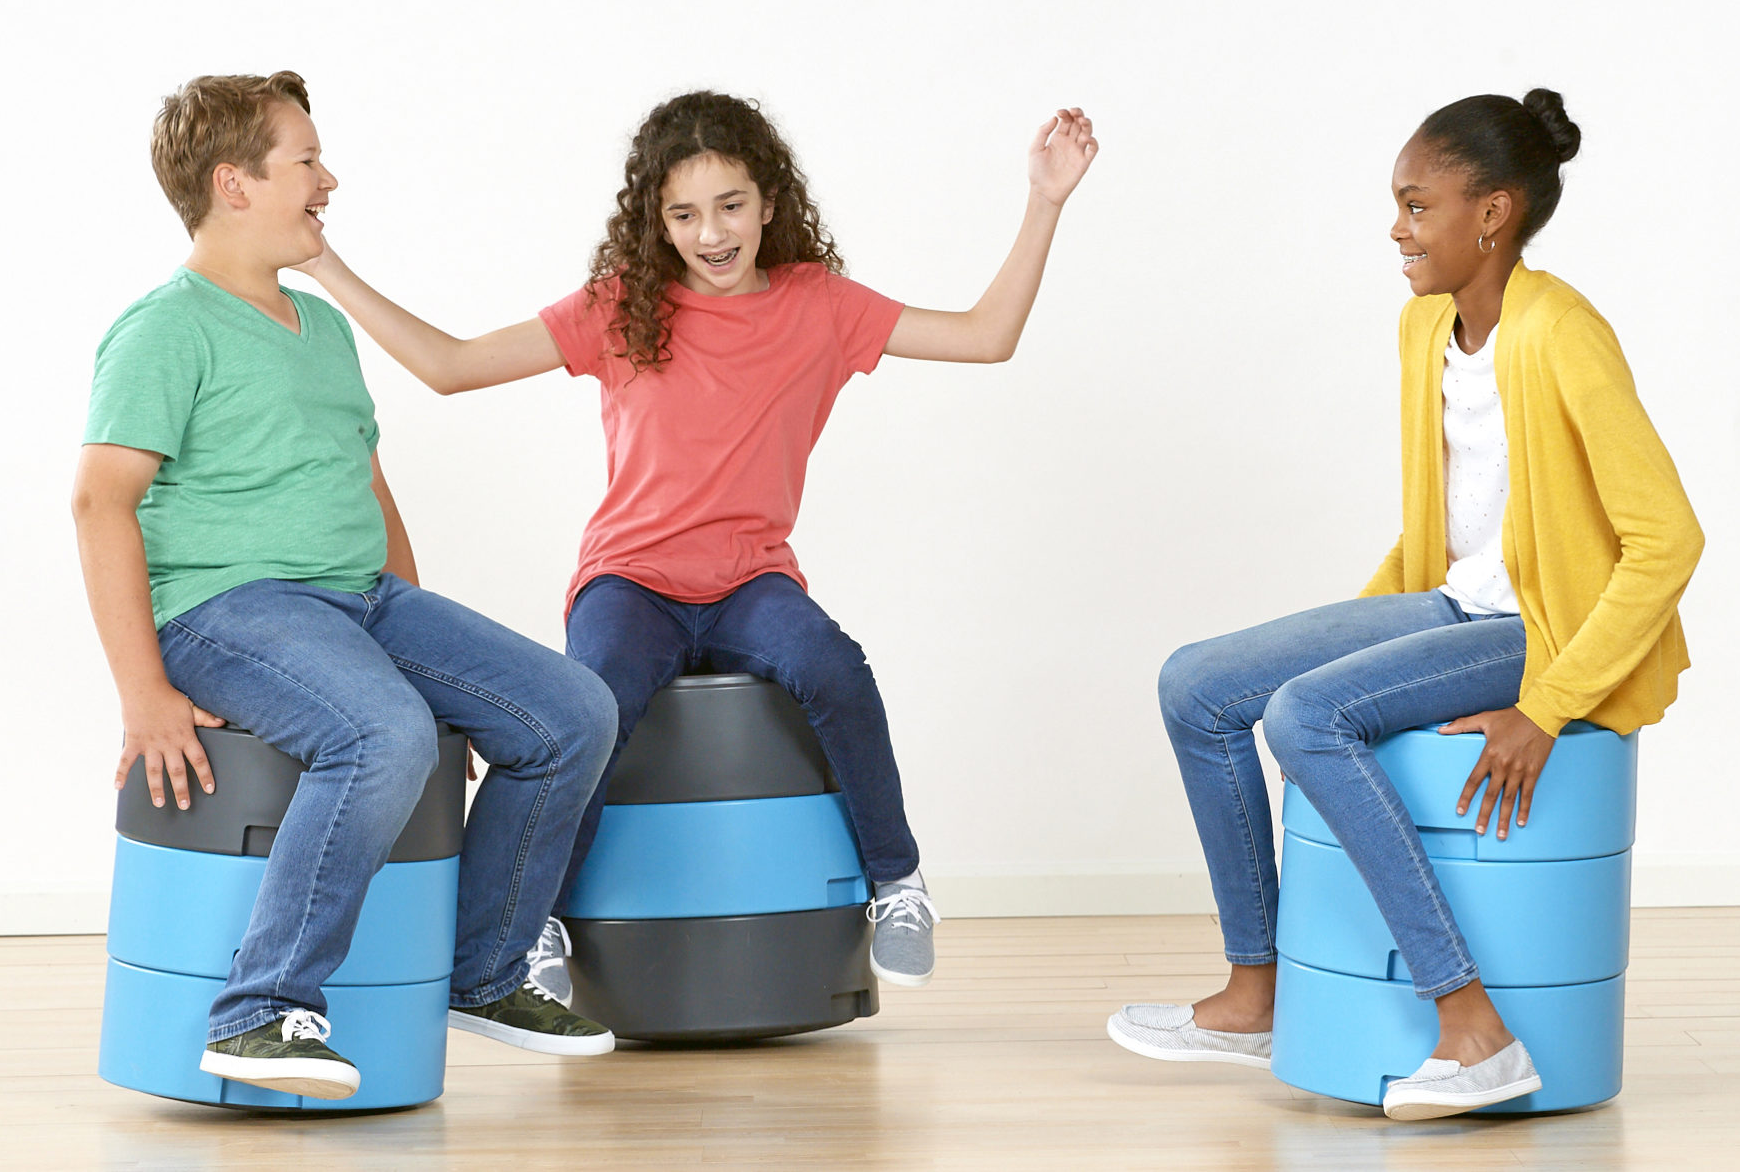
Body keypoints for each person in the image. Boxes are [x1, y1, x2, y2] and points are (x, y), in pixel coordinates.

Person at [297, 91, 1099, 997]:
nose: (711, 233)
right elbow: (449, 367)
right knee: (589, 704)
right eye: (683, 213)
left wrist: (1044, 201)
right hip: (629, 579)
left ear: (768, 202)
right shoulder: (623, 307)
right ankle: (538, 919)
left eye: (729, 206)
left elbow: (986, 337)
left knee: (829, 662)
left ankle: (897, 880)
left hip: (751, 578)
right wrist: (326, 264)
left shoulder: (820, 306)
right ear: (657, 220)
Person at [1104, 90, 1703, 1119]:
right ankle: (1257, 991)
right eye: (1396, 204)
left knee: (1302, 716)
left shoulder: (1563, 334)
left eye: (1416, 205)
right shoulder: (1424, 327)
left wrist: (1549, 705)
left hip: (1536, 632)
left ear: (1491, 214)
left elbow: (1665, 539)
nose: (1396, 227)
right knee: (1195, 685)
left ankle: (1472, 1028)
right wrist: (1357, 636)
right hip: (1454, 603)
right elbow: (1451, 532)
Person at [73, 71, 620, 1101]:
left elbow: (368, 487)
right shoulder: (163, 328)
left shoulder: (321, 329)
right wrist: (140, 694)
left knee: (571, 710)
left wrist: (428, 652)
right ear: (234, 184)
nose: (330, 178)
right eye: (306, 160)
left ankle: (486, 971)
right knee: (382, 736)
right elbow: (99, 503)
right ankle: (258, 1011)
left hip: (361, 598)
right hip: (227, 609)